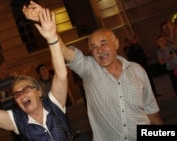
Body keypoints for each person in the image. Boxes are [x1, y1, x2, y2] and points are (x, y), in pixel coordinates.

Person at [23, 1, 163, 141]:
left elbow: (152, 114)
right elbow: (65, 52)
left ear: (116, 43)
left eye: (103, 43)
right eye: (94, 47)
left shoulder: (137, 70)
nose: (100, 50)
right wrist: (50, 31)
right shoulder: (89, 69)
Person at [0, 8, 76, 141]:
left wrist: (52, 38)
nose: (22, 95)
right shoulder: (18, 120)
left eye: (26, 89)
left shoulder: (55, 104)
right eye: (17, 94)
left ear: (39, 91)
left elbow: (61, 74)